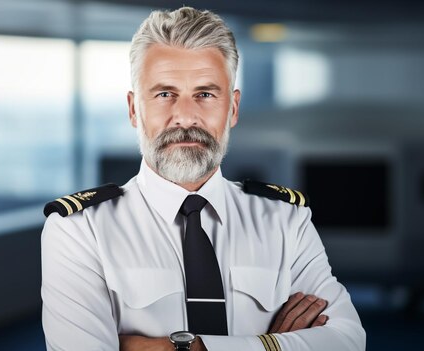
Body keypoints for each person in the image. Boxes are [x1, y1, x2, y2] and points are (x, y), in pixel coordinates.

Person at [41, 6, 365, 351]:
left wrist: (185, 348)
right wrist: (277, 343)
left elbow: (346, 340)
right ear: (134, 109)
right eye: (165, 94)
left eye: (205, 94)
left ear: (234, 109)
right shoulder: (79, 230)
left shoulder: (286, 220)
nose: (185, 116)